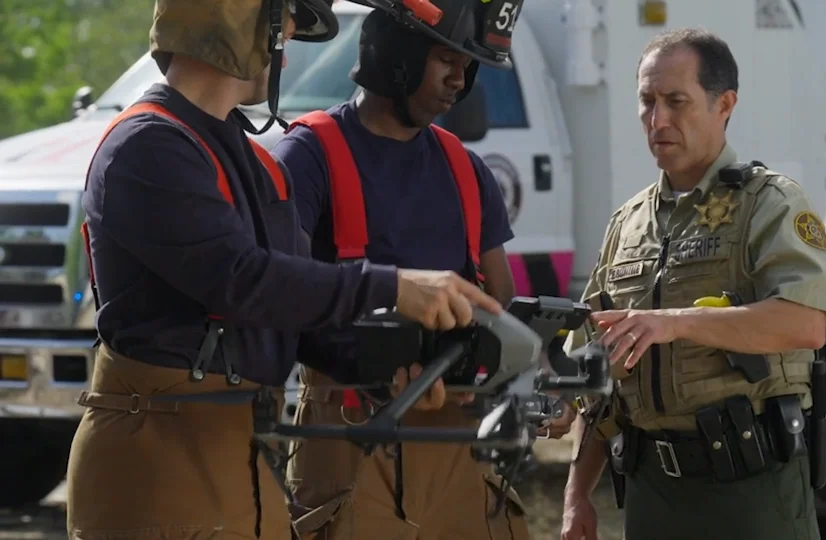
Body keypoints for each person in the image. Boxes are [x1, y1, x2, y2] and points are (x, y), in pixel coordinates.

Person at [67, 0, 503, 538]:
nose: (288, 44)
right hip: (157, 466)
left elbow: (292, 315)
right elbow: (243, 281)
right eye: (283, 23)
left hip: (241, 464)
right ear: (237, 23)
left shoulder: (254, 163)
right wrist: (393, 286)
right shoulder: (146, 146)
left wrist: (385, 369)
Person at [271, 2, 572, 538]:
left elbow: (500, 301)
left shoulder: (465, 167)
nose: (460, 80)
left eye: (469, 65)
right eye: (446, 60)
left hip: (458, 437)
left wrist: (535, 374)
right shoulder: (310, 155)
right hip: (350, 433)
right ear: (395, 58)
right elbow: (282, 297)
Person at [559, 28, 826, 540]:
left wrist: (674, 323)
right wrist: (576, 495)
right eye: (646, 101)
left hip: (751, 491)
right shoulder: (626, 225)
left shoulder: (769, 204)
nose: (657, 120)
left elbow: (807, 324)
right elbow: (595, 377)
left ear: (724, 104)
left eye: (676, 101)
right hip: (653, 493)